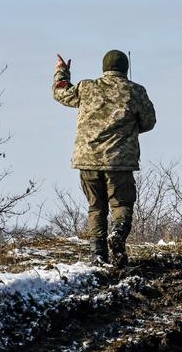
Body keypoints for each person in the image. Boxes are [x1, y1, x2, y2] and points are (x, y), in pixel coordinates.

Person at [53, 49, 156, 268]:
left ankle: (98, 254)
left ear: (104, 68)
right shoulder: (136, 91)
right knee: (122, 203)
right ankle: (118, 232)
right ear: (125, 68)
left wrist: (62, 72)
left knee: (96, 207)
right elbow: (149, 122)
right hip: (120, 160)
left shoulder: (86, 87)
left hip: (87, 158)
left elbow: (61, 92)